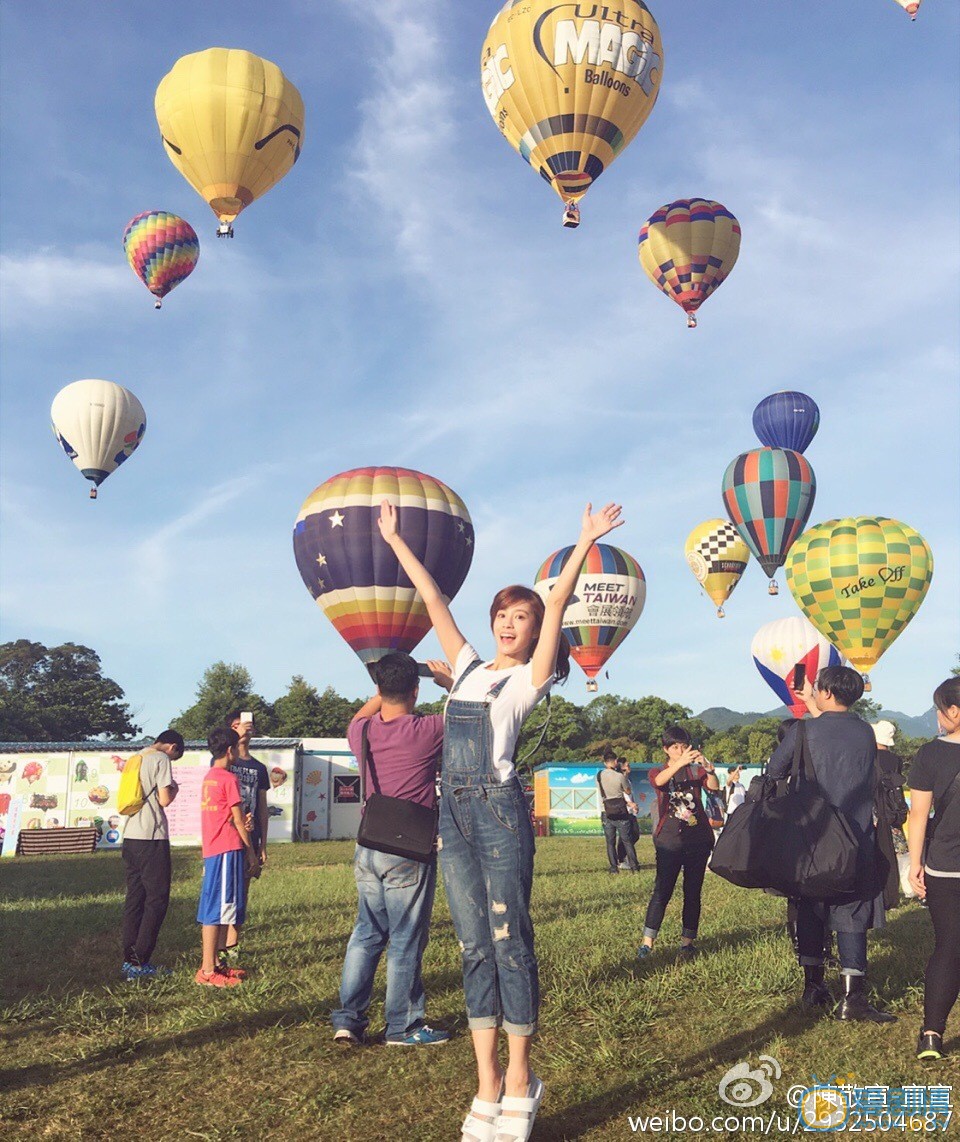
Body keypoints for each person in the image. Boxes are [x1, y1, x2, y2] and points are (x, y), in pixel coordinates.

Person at [378, 498, 623, 1142]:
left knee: (510, 941)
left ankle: (520, 1076)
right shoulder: (465, 669)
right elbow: (434, 602)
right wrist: (396, 540)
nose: (509, 624)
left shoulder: (526, 681)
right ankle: (485, 1081)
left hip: (499, 813)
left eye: (522, 617)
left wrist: (581, 544)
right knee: (471, 946)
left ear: (536, 629)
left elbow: (558, 606)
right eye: (503, 615)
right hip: (451, 816)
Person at [332, 652, 452, 1048]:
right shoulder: (430, 728)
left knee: (366, 933)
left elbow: (358, 716)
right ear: (416, 691)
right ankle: (403, 1026)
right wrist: (448, 682)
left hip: (369, 845)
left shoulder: (362, 732)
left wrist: (381, 688)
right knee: (405, 939)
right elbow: (470, 714)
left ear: (380, 689)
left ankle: (348, 1020)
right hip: (409, 849)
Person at [768, 666, 895, 1022]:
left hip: (810, 837)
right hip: (856, 837)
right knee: (852, 910)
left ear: (823, 692)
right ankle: (853, 1000)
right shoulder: (866, 734)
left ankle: (813, 987)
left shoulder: (804, 730)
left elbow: (774, 771)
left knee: (810, 905)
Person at [907, 677, 960, 1061]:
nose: (938, 716)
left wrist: (915, 864)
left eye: (939, 709)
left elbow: (918, 815)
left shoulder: (929, 755)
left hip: (946, 865)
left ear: (953, 712)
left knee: (948, 947)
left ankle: (931, 1034)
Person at [638, 726, 719, 960]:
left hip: (698, 839)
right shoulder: (659, 770)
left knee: (692, 892)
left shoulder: (696, 773)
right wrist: (680, 763)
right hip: (669, 841)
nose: (680, 750)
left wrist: (708, 768)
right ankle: (647, 943)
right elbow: (659, 782)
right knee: (662, 891)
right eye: (675, 747)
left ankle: (687, 943)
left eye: (684, 746)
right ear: (666, 749)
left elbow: (713, 787)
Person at [196, 727, 258, 987]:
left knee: (222, 909)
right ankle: (207, 971)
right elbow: (236, 819)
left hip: (214, 849)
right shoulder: (228, 778)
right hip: (226, 849)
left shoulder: (210, 776)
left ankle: (218, 965)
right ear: (230, 750)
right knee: (215, 911)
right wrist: (251, 853)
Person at [120, 729, 184, 981]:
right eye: (176, 755)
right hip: (152, 837)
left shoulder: (136, 757)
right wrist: (175, 788)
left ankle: (129, 959)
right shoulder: (161, 759)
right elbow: (165, 799)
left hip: (131, 835)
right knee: (157, 899)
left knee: (135, 897)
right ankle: (141, 962)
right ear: (172, 747)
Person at [214, 710, 270, 973]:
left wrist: (263, 845)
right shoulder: (225, 761)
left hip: (251, 836)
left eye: (249, 725)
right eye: (240, 725)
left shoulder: (258, 767)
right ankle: (219, 948)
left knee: (242, 894)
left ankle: (233, 945)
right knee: (227, 893)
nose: (246, 730)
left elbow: (262, 807)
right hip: (228, 837)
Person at [598, 751, 638, 873]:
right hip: (621, 812)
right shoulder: (619, 776)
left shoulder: (599, 776)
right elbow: (628, 791)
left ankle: (613, 868)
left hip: (606, 812)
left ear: (604, 762)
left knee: (610, 842)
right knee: (627, 840)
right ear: (615, 761)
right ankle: (634, 867)